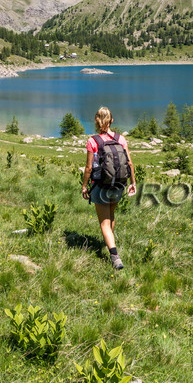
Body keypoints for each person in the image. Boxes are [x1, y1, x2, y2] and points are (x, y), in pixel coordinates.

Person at [82, 106, 137, 270]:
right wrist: (133, 183)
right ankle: (109, 245)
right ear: (112, 120)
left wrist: (84, 186)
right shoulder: (121, 139)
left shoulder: (93, 141)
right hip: (119, 184)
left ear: (96, 121)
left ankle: (114, 257)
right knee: (111, 216)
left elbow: (88, 168)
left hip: (100, 186)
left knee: (104, 223)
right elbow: (129, 162)